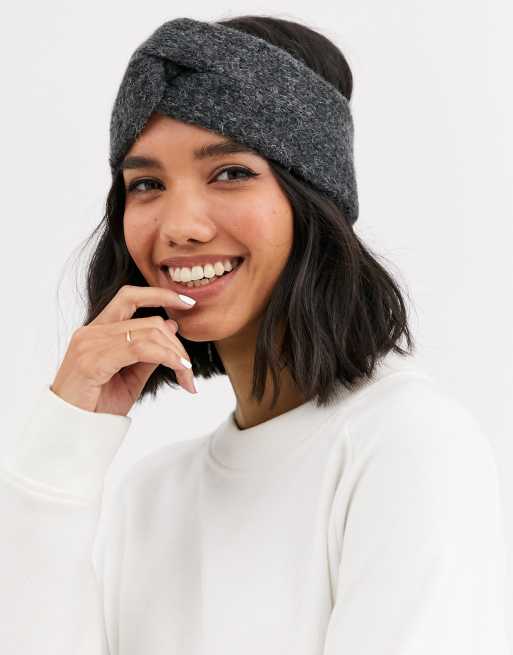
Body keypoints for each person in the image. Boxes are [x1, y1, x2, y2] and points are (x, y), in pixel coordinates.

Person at [0, 14, 510, 655]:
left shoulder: (406, 446)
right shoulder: (151, 497)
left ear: (313, 196)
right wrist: (62, 454)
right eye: (147, 184)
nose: (180, 227)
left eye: (231, 173)